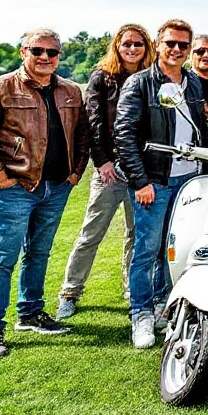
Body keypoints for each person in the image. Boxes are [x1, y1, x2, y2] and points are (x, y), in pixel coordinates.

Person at [0, 28, 89, 361]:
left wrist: (75, 172)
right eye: (37, 51)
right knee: (2, 259)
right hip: (15, 189)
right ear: (23, 52)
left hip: (57, 187)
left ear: (59, 56)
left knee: (39, 253)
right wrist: (0, 178)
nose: (45, 57)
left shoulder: (71, 91)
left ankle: (30, 313)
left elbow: (83, 136)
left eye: (52, 52)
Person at [114, 19, 208, 349]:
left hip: (189, 179)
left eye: (183, 45)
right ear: (158, 44)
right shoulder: (140, 83)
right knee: (146, 248)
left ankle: (161, 304)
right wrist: (141, 181)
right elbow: (124, 136)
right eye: (171, 43)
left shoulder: (192, 82)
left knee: (173, 248)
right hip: (155, 180)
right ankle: (140, 313)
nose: (177, 50)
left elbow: (200, 129)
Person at [56, 25, 152, 319]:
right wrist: (102, 161)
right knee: (92, 233)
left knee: (137, 235)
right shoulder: (102, 77)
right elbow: (92, 122)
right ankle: (70, 291)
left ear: (147, 47)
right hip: (110, 169)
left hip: (142, 171)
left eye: (138, 44)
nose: (132, 49)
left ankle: (132, 288)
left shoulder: (151, 78)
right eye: (127, 44)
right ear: (117, 46)